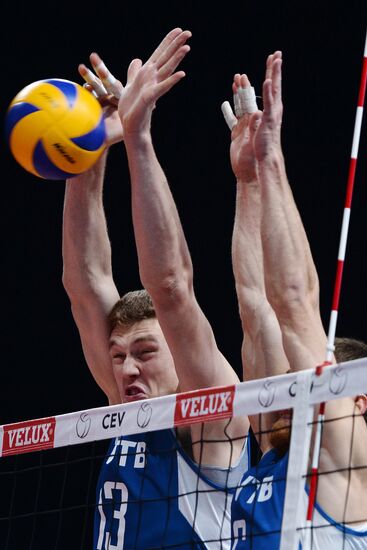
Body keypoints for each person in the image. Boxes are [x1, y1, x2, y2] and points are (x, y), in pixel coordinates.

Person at [62, 28, 250, 549]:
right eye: (119, 354)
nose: (125, 368)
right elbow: (85, 285)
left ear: (180, 354)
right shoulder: (125, 408)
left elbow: (170, 287)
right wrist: (87, 151)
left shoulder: (212, 422)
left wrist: (138, 138)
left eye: (144, 351)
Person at [224, 52, 367, 548]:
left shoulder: (342, 457)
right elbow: (254, 303)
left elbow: (294, 302)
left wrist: (271, 162)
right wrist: (247, 184)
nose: (289, 392)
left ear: (358, 403)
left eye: (303, 382)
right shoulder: (272, 454)